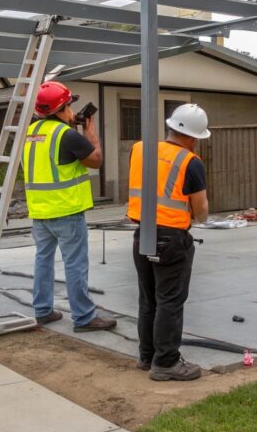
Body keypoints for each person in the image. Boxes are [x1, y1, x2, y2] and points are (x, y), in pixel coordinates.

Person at [22, 82, 116, 333]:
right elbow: (96, 160)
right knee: (75, 264)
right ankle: (84, 317)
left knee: (43, 261)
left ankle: (42, 310)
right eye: (69, 105)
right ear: (62, 108)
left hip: (40, 211)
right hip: (66, 211)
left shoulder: (31, 131)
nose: (73, 110)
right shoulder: (67, 135)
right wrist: (90, 129)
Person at [128, 103, 210, 381]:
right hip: (172, 239)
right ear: (193, 137)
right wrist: (197, 216)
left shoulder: (140, 149)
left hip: (143, 234)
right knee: (170, 301)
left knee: (148, 300)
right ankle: (166, 363)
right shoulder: (190, 162)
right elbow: (200, 210)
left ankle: (147, 356)